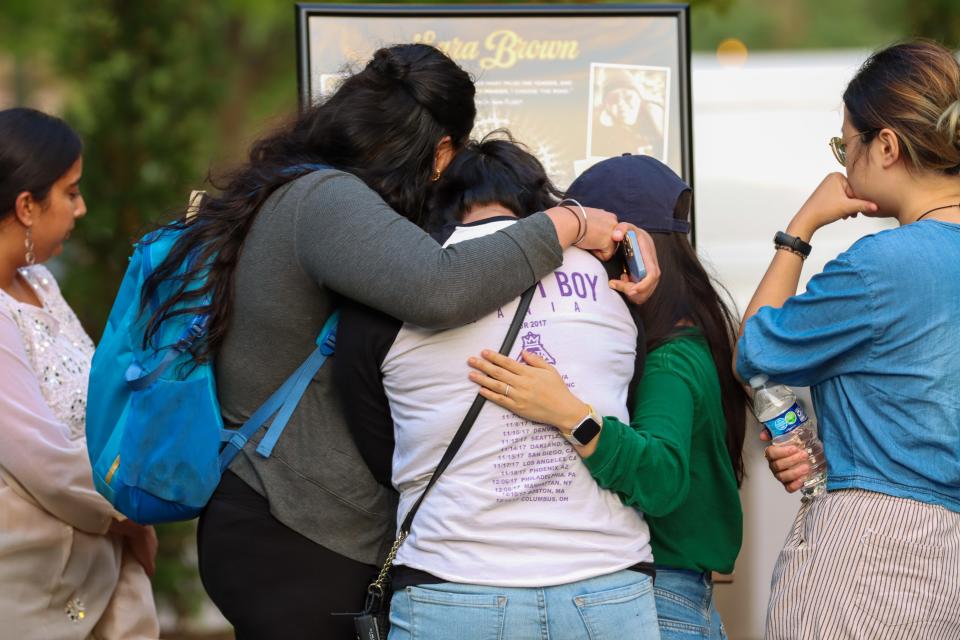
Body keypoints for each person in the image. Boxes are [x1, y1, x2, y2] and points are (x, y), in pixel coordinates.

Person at [135, 44, 629, 639]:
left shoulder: (298, 192)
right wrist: (568, 224)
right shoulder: (324, 201)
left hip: (279, 524)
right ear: (442, 150)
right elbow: (439, 287)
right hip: (296, 530)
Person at [334, 135, 662, 640]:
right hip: (608, 585)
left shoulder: (397, 287)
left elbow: (377, 441)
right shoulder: (612, 284)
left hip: (454, 583)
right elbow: (628, 395)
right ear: (538, 202)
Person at [735, 40, 960, 639]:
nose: (843, 161)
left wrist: (800, 229)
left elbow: (755, 348)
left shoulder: (882, 264)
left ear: (885, 146)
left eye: (845, 144)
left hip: (873, 554)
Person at [469, 154, 746, 640]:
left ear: (630, 250)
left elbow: (662, 478)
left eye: (588, 244)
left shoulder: (669, 358)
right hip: (676, 598)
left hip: (662, 603)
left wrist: (570, 415)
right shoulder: (688, 336)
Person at [0, 108, 159, 639]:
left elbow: (95, 398)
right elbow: (41, 456)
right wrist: (129, 514)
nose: (81, 207)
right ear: (27, 205)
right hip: (34, 577)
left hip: (100, 558)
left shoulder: (40, 283)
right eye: (70, 192)